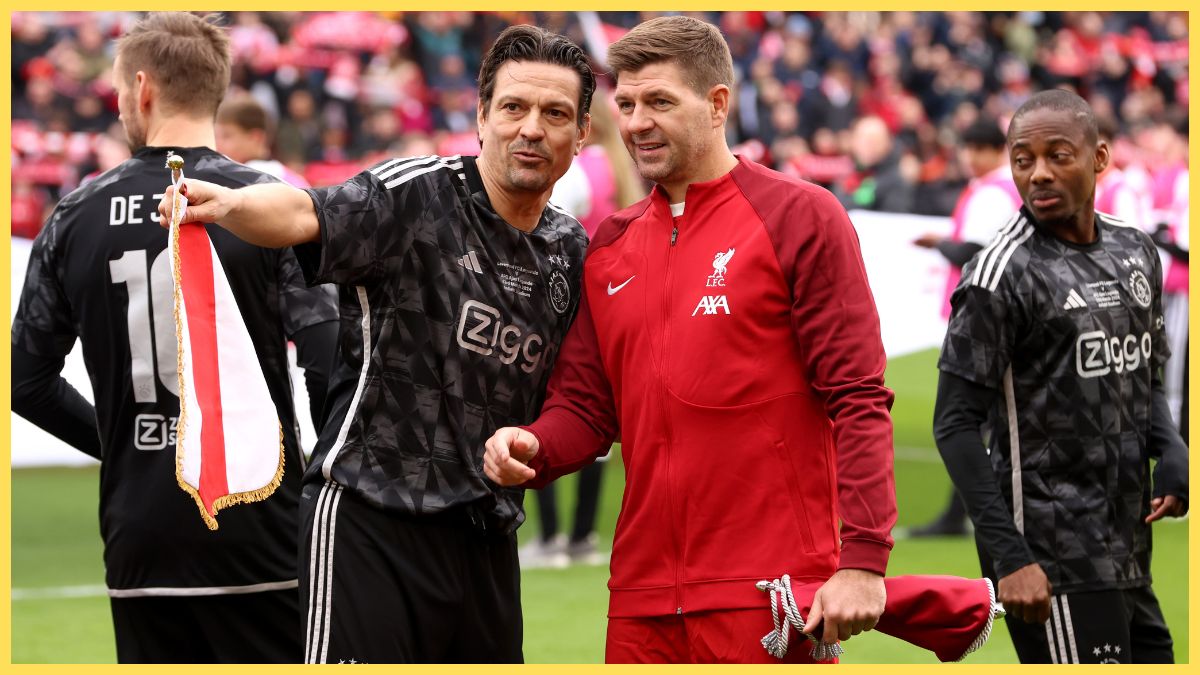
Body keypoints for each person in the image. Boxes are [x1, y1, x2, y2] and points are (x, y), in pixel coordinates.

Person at [156, 25, 595, 664]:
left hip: (485, 538)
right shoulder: (420, 193)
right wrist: (229, 205)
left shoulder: (572, 254)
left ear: (581, 134)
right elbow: (308, 215)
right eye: (514, 108)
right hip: (370, 521)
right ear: (481, 117)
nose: (532, 128)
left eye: (555, 114)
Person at [484, 16, 896, 664]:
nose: (638, 121)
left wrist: (865, 557)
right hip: (640, 602)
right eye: (626, 104)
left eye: (659, 102)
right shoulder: (611, 245)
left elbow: (858, 394)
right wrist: (535, 444)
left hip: (769, 593)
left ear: (717, 104)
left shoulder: (802, 216)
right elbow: (589, 409)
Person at [10, 12, 339, 664]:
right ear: (216, 92)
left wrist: (118, 443)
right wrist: (320, 478)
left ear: (142, 89)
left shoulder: (75, 216)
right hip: (261, 524)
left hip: (142, 530)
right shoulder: (266, 203)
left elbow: (25, 380)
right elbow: (329, 358)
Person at [934, 89, 1188, 664]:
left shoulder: (1135, 251)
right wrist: (1010, 557)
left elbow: (1142, 374)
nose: (1039, 174)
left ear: (1099, 159)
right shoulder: (1000, 274)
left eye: (1058, 156)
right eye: (1023, 160)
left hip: (1125, 548)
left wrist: (1170, 446)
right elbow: (954, 425)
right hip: (1049, 558)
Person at [522, 92, 643, 569]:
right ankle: (582, 535)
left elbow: (549, 221)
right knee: (598, 416)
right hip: (607, 300)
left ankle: (551, 535)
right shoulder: (620, 169)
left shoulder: (580, 168)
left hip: (565, 296)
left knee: (541, 410)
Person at [909, 116, 1022, 538]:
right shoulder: (1003, 189)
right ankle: (966, 512)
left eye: (977, 148)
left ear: (994, 150)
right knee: (984, 417)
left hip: (979, 313)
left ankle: (967, 514)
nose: (969, 157)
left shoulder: (991, 192)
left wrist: (938, 243)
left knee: (963, 418)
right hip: (998, 311)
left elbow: (975, 250)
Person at [215, 92, 312, 188]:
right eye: (216, 136)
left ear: (255, 138)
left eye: (227, 136)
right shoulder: (286, 174)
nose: (218, 143)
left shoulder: (250, 175)